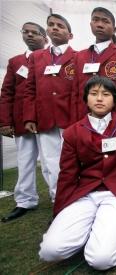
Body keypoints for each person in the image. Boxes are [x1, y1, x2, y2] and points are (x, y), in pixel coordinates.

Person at [39, 76, 116, 270]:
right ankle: (88, 232)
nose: (99, 98)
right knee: (50, 251)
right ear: (86, 99)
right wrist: (59, 211)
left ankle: (101, 235)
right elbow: (67, 175)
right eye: (94, 94)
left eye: (106, 94)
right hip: (85, 193)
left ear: (115, 99)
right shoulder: (72, 132)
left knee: (101, 260)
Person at [23, 14, 75, 206]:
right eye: (51, 25)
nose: (55, 28)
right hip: (45, 118)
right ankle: (58, 199)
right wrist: (30, 116)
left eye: (60, 26)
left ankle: (75, 196)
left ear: (70, 35)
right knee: (50, 162)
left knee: (72, 160)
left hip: (70, 117)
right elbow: (29, 89)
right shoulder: (37, 57)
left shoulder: (77, 56)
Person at [0, 22, 47, 222]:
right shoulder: (15, 62)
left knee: (51, 162)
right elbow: (7, 92)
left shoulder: (52, 59)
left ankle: (59, 198)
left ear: (44, 39)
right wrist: (4, 121)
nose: (29, 35)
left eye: (34, 33)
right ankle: (25, 201)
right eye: (25, 32)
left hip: (47, 120)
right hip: (21, 121)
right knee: (25, 161)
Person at [71, 7, 116, 122]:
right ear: (90, 24)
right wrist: (74, 121)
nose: (100, 25)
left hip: (115, 118)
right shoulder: (79, 57)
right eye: (95, 20)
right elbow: (75, 92)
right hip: (85, 117)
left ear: (114, 29)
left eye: (105, 21)